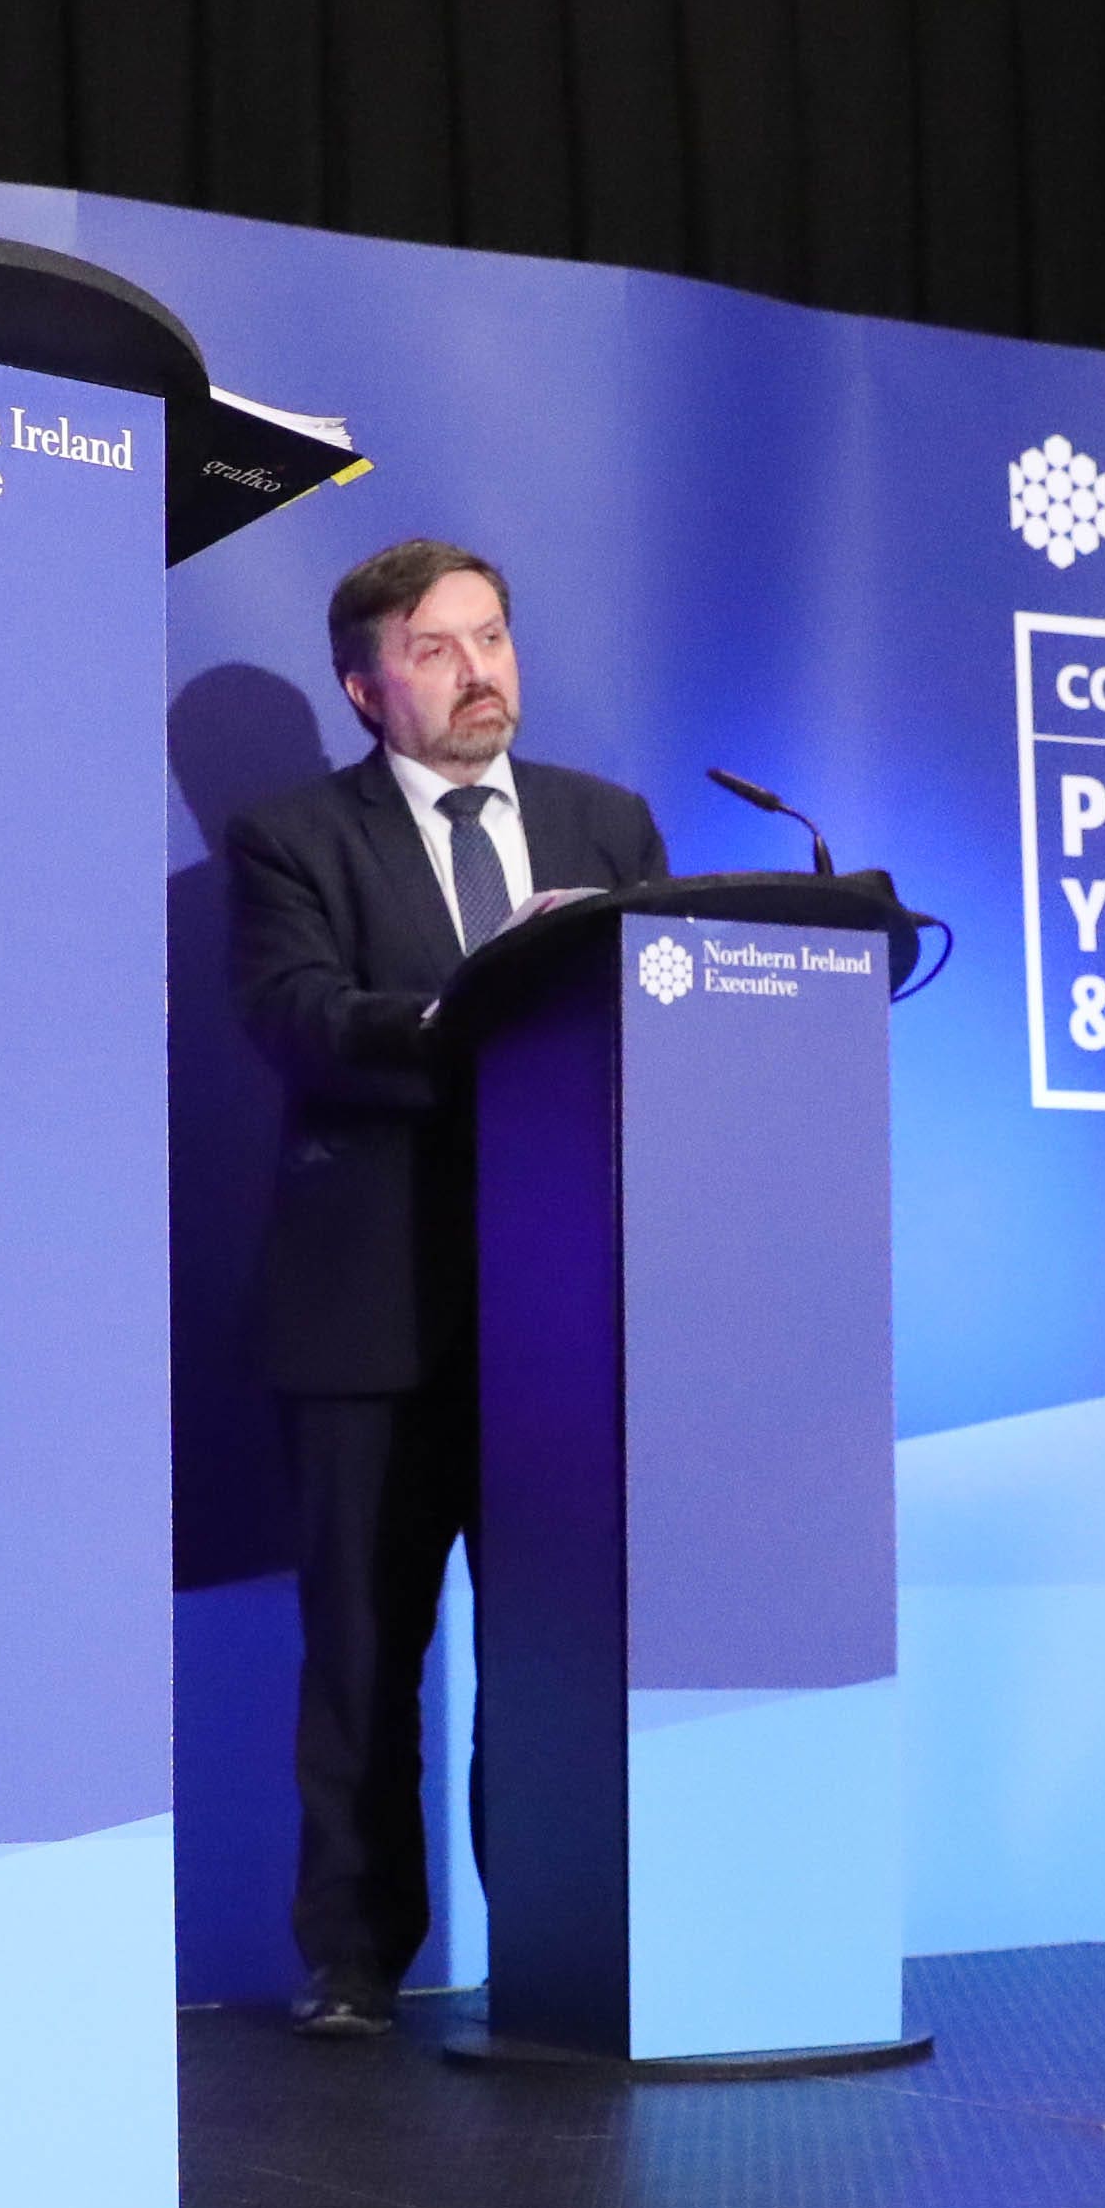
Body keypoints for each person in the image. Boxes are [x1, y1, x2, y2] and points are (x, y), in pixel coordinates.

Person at [222, 541, 668, 2033]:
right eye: (437, 649)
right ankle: (353, 1961)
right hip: (371, 1316)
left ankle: (557, 1942)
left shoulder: (609, 825)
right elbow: (296, 1022)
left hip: (560, 1317)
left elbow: (662, 1028)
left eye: (494, 636)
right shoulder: (295, 838)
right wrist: (474, 1006)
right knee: (364, 1654)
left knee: (549, 1659)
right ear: (365, 685)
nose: (481, 671)